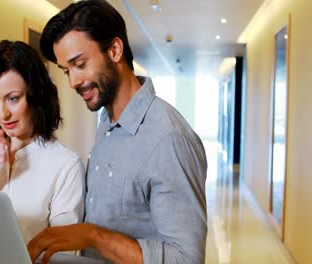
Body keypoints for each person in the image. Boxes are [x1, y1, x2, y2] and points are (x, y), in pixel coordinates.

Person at [27, 1, 207, 263]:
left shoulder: (169, 138)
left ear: (114, 49)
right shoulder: (106, 121)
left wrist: (93, 236)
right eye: (66, 71)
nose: (73, 82)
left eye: (80, 64)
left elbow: (186, 259)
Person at [0, 40, 85, 244]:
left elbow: (62, 252)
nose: (3, 113)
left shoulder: (66, 164)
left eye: (13, 98)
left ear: (36, 94)